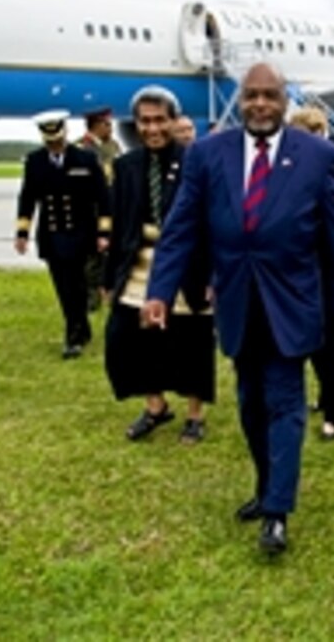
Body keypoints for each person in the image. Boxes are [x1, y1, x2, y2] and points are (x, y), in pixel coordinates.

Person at [143, 63, 334, 555]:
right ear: (240, 100)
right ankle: (267, 487)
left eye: (269, 95)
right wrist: (160, 291)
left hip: (294, 301)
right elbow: (181, 228)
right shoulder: (207, 154)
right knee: (250, 403)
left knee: (285, 401)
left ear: (285, 100)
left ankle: (277, 511)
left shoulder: (318, 155)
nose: (260, 104)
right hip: (237, 301)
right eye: (251, 96)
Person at [103, 87, 214, 444]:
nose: (152, 128)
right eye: (144, 121)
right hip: (138, 267)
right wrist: (109, 280)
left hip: (187, 267)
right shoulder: (125, 166)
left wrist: (214, 275)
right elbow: (119, 226)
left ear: (175, 121)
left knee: (191, 343)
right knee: (130, 340)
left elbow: (213, 224)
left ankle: (195, 415)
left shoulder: (197, 160)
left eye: (159, 120)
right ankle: (155, 407)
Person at [15, 110, 111, 359]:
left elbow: (103, 198)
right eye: (50, 142)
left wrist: (104, 232)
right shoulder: (35, 162)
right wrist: (22, 232)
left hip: (80, 232)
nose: (54, 146)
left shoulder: (85, 159)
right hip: (52, 234)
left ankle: (74, 335)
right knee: (63, 287)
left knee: (77, 286)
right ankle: (79, 328)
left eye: (57, 140)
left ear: (65, 133)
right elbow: (27, 198)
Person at [288, 106, 334, 441]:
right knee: (305, 347)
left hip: (324, 271)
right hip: (294, 275)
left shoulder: (332, 164)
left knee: (329, 349)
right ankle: (323, 398)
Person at [77, 107, 122, 312]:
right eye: (107, 125)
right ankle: (90, 298)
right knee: (92, 257)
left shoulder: (112, 146)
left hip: (112, 207)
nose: (110, 128)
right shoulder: (82, 149)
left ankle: (107, 289)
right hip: (91, 211)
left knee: (108, 253)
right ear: (96, 125)